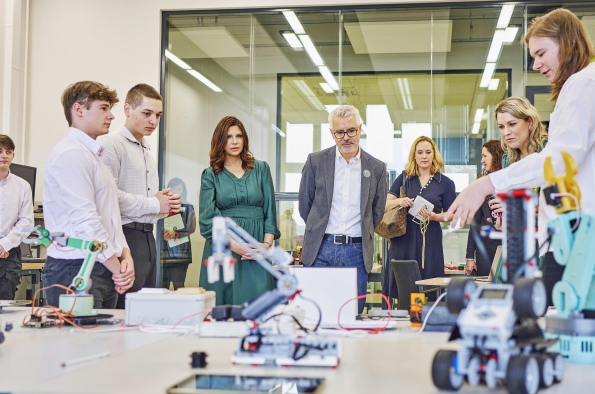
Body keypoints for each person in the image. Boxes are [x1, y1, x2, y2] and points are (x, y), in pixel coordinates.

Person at [446, 8, 595, 307]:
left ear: (567, 43)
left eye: (542, 53)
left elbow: (562, 158)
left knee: (561, 330)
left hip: (578, 239)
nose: (536, 64)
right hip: (567, 237)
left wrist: (487, 183)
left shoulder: (582, 83)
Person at [43, 81, 135, 308]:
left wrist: (126, 256)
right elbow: (86, 220)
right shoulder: (71, 154)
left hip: (102, 265)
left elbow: (111, 217)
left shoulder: (94, 157)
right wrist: (118, 269)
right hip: (75, 266)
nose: (111, 116)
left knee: (104, 343)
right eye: (104, 108)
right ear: (79, 109)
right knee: (80, 343)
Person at [99, 83, 181, 309]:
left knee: (145, 312)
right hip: (125, 237)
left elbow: (145, 200)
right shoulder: (111, 144)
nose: (153, 121)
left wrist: (162, 202)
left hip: (148, 238)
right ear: (127, 109)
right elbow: (109, 198)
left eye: (158, 115)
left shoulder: (146, 149)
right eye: (147, 113)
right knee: (125, 311)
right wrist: (154, 203)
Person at [299, 105, 387, 314]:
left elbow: (377, 212)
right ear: (332, 133)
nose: (346, 137)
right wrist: (317, 228)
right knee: (315, 313)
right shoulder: (316, 161)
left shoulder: (376, 167)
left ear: (360, 129)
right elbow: (305, 204)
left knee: (351, 315)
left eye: (351, 131)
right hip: (320, 248)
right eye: (340, 132)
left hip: (356, 251)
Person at [199, 116, 280, 305]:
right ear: (220, 141)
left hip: (257, 249)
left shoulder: (261, 169)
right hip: (223, 248)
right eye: (228, 137)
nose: (234, 141)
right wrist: (235, 246)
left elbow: (270, 211)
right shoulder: (210, 174)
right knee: (220, 309)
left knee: (259, 308)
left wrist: (265, 246)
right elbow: (207, 219)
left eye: (239, 136)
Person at [383, 136, 456, 303]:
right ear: (414, 156)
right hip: (403, 240)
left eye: (428, 152)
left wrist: (434, 216)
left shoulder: (445, 183)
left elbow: (451, 214)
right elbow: (385, 205)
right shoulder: (404, 178)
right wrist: (400, 201)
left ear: (434, 155)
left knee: (429, 290)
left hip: (430, 240)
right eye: (420, 152)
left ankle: (427, 322)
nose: (424, 156)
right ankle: (404, 325)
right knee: (405, 292)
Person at [0, 135, 34, 300]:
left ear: (13, 155)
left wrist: (5, 245)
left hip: (10, 254)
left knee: (5, 307)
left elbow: (26, 221)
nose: (4, 155)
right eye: (0, 151)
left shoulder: (23, 186)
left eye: (8, 151)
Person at [465, 140, 504, 276]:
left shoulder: (511, 182)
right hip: (485, 251)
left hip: (509, 247)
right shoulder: (482, 184)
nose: (482, 160)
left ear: (496, 155)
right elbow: (475, 223)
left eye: (485, 156)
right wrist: (470, 256)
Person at [162, 178, 196, 290]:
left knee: (179, 287)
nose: (177, 191)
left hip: (181, 254)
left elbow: (191, 228)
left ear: (183, 191)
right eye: (174, 189)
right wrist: (162, 233)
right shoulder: (162, 206)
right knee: (162, 288)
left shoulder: (188, 207)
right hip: (164, 254)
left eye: (179, 189)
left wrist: (175, 233)